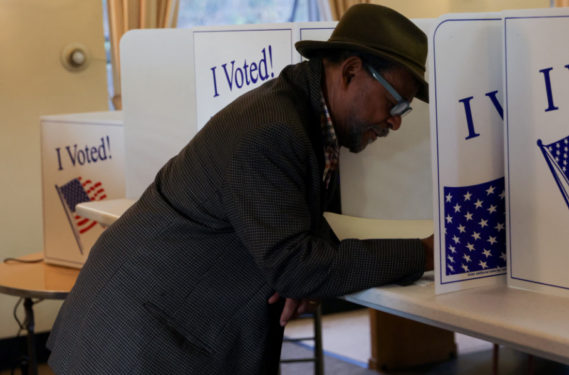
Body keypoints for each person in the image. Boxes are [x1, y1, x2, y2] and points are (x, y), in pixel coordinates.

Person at [46, 3, 434, 374]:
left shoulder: (302, 117)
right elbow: (297, 268)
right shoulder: (274, 131)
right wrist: (424, 254)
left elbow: (293, 253)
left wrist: (298, 269)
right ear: (350, 72)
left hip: (157, 319)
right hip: (141, 339)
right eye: (395, 103)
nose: (395, 123)